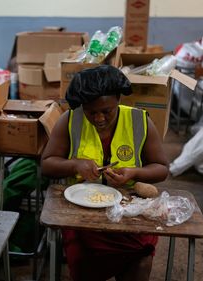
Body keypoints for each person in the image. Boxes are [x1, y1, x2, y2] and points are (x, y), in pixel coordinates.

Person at [41, 65, 168, 281]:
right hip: (80, 215)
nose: (99, 118)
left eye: (106, 111)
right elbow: (47, 164)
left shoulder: (139, 121)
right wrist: (75, 165)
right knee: (83, 263)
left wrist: (134, 172)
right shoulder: (70, 121)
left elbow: (162, 168)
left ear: (118, 100)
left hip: (128, 212)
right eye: (92, 112)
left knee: (141, 259)